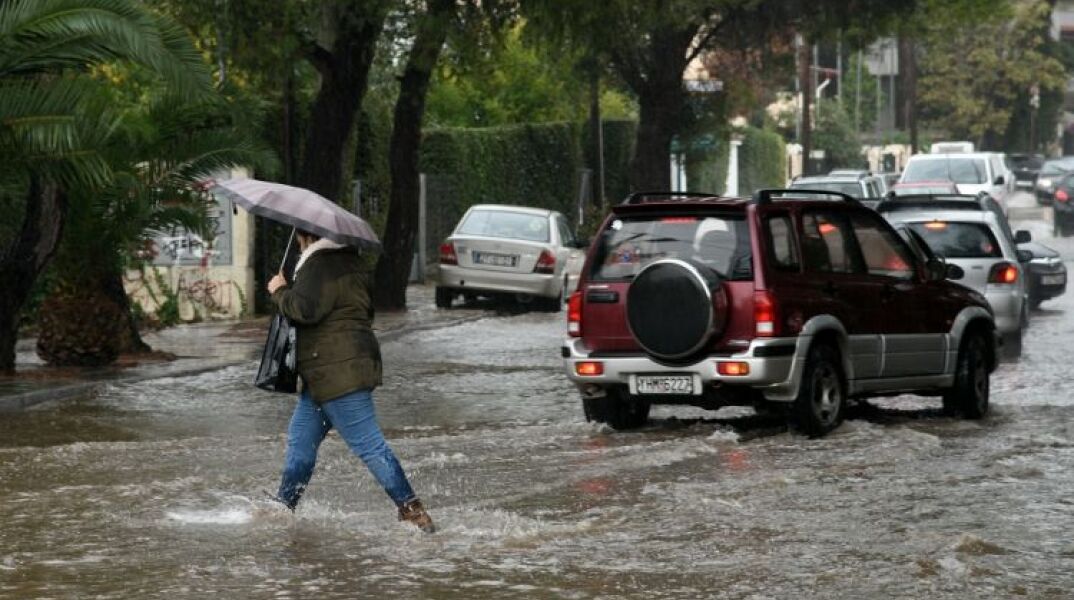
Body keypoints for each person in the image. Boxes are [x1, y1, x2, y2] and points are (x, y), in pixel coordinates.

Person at [266, 229, 435, 533]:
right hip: (331, 370)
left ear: (304, 235)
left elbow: (305, 310)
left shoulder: (318, 264)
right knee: (300, 443)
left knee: (369, 445)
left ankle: (413, 512)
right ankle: (282, 510)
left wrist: (279, 291)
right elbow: (360, 311)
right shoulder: (352, 262)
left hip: (336, 371)